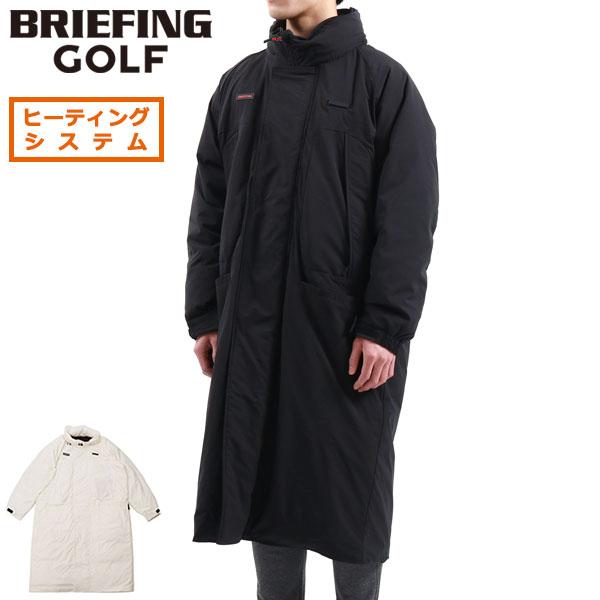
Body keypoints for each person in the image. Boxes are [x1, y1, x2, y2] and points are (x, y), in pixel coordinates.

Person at [185, 0, 438, 597]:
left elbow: (409, 215)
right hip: (250, 326)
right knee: (264, 478)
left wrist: (384, 325)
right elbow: (209, 206)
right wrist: (207, 314)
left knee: (351, 492)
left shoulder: (383, 82)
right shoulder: (240, 83)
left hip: (343, 333)